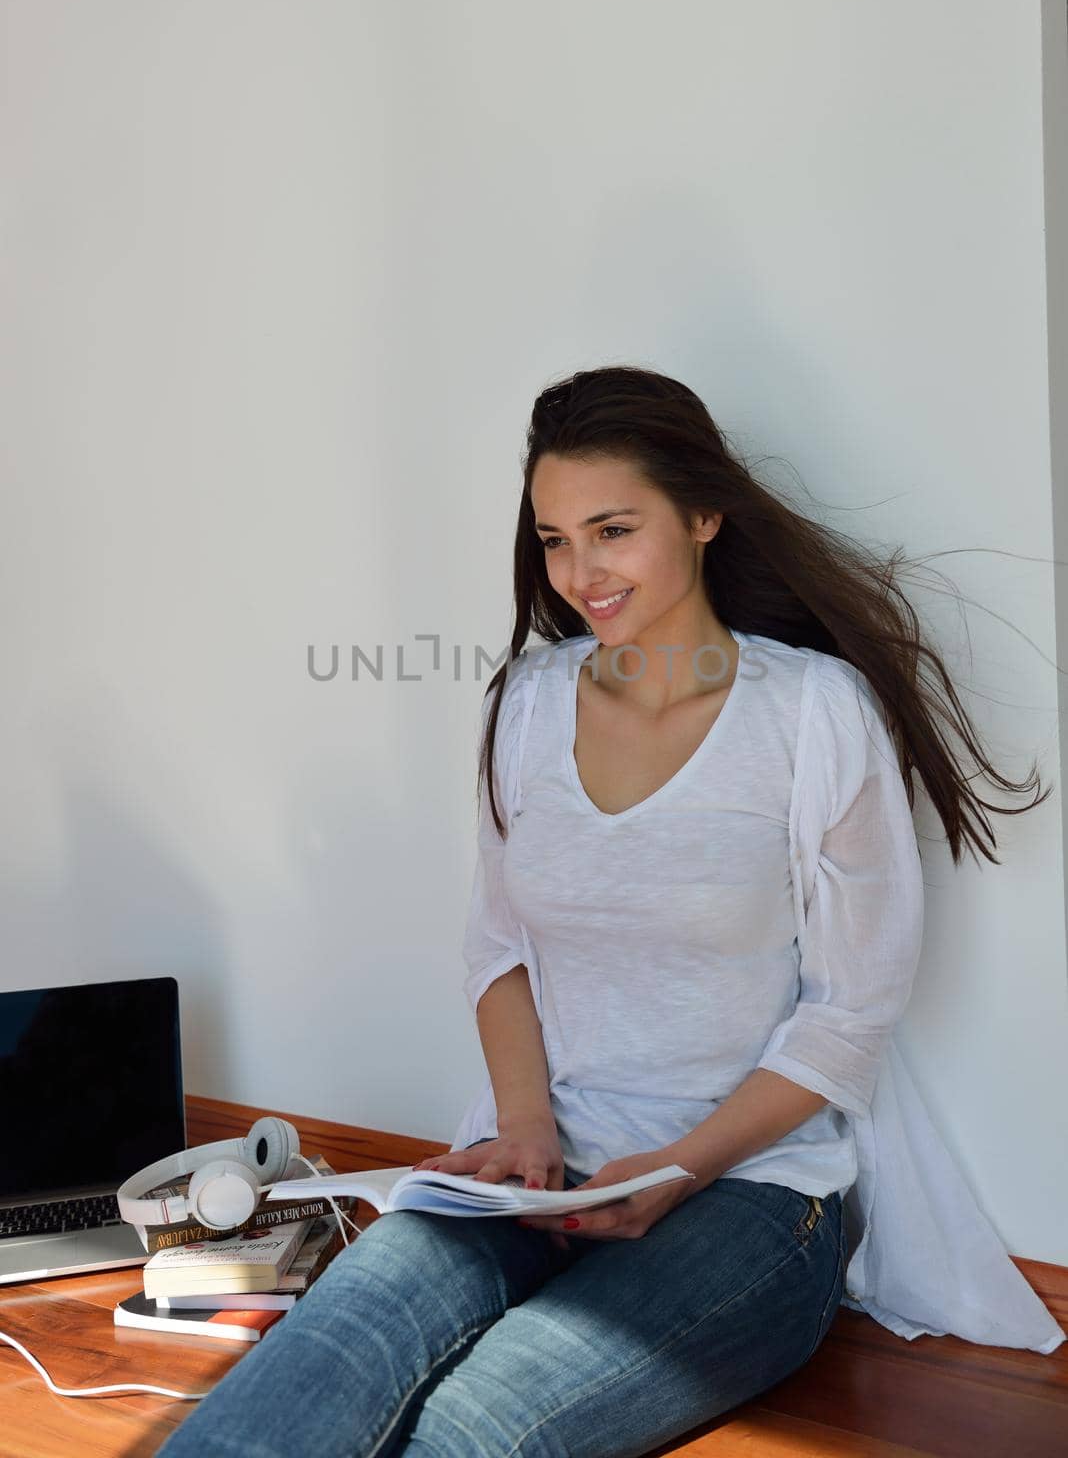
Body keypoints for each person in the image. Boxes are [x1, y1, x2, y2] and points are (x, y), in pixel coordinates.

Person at [160, 367, 1057, 1458]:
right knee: (306, 1375)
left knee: (468, 1437)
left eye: (613, 528)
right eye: (553, 538)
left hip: (753, 1195)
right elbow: (498, 946)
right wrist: (526, 1126)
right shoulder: (528, 706)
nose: (581, 572)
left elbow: (851, 1013)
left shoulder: (814, 715)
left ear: (704, 514)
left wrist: (680, 1162)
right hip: (534, 1168)